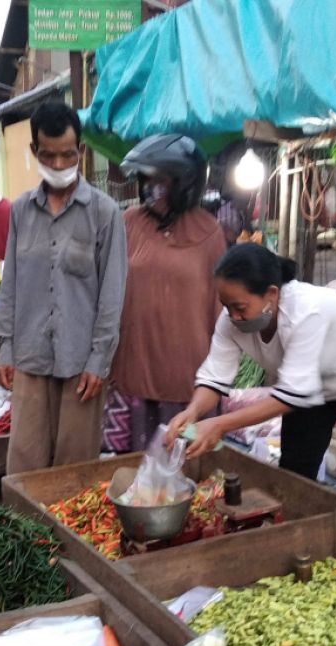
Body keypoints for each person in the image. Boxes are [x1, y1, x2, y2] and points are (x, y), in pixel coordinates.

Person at [166, 244, 336, 518]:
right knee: (295, 471)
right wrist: (193, 411)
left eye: (240, 307)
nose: (233, 316)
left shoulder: (305, 311)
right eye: (226, 306)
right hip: (314, 381)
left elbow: (291, 396)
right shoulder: (230, 321)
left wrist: (219, 425)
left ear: (271, 293)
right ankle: (295, 541)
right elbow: (213, 379)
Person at [0, 101, 127, 474]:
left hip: (81, 367)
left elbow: (112, 296)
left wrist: (99, 361)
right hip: (30, 358)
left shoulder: (104, 213)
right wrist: (6, 347)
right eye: (49, 156)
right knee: (25, 464)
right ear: (35, 152)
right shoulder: (21, 211)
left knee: (74, 474)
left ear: (80, 152)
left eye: (67, 156)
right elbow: (12, 285)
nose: (57, 165)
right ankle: (26, 532)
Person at [104, 134, 226, 453]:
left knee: (187, 474)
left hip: (188, 376)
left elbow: (220, 309)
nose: (152, 187)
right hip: (134, 371)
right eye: (148, 178)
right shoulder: (127, 223)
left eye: (162, 179)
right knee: (129, 475)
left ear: (186, 183)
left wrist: (221, 373)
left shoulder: (210, 232)